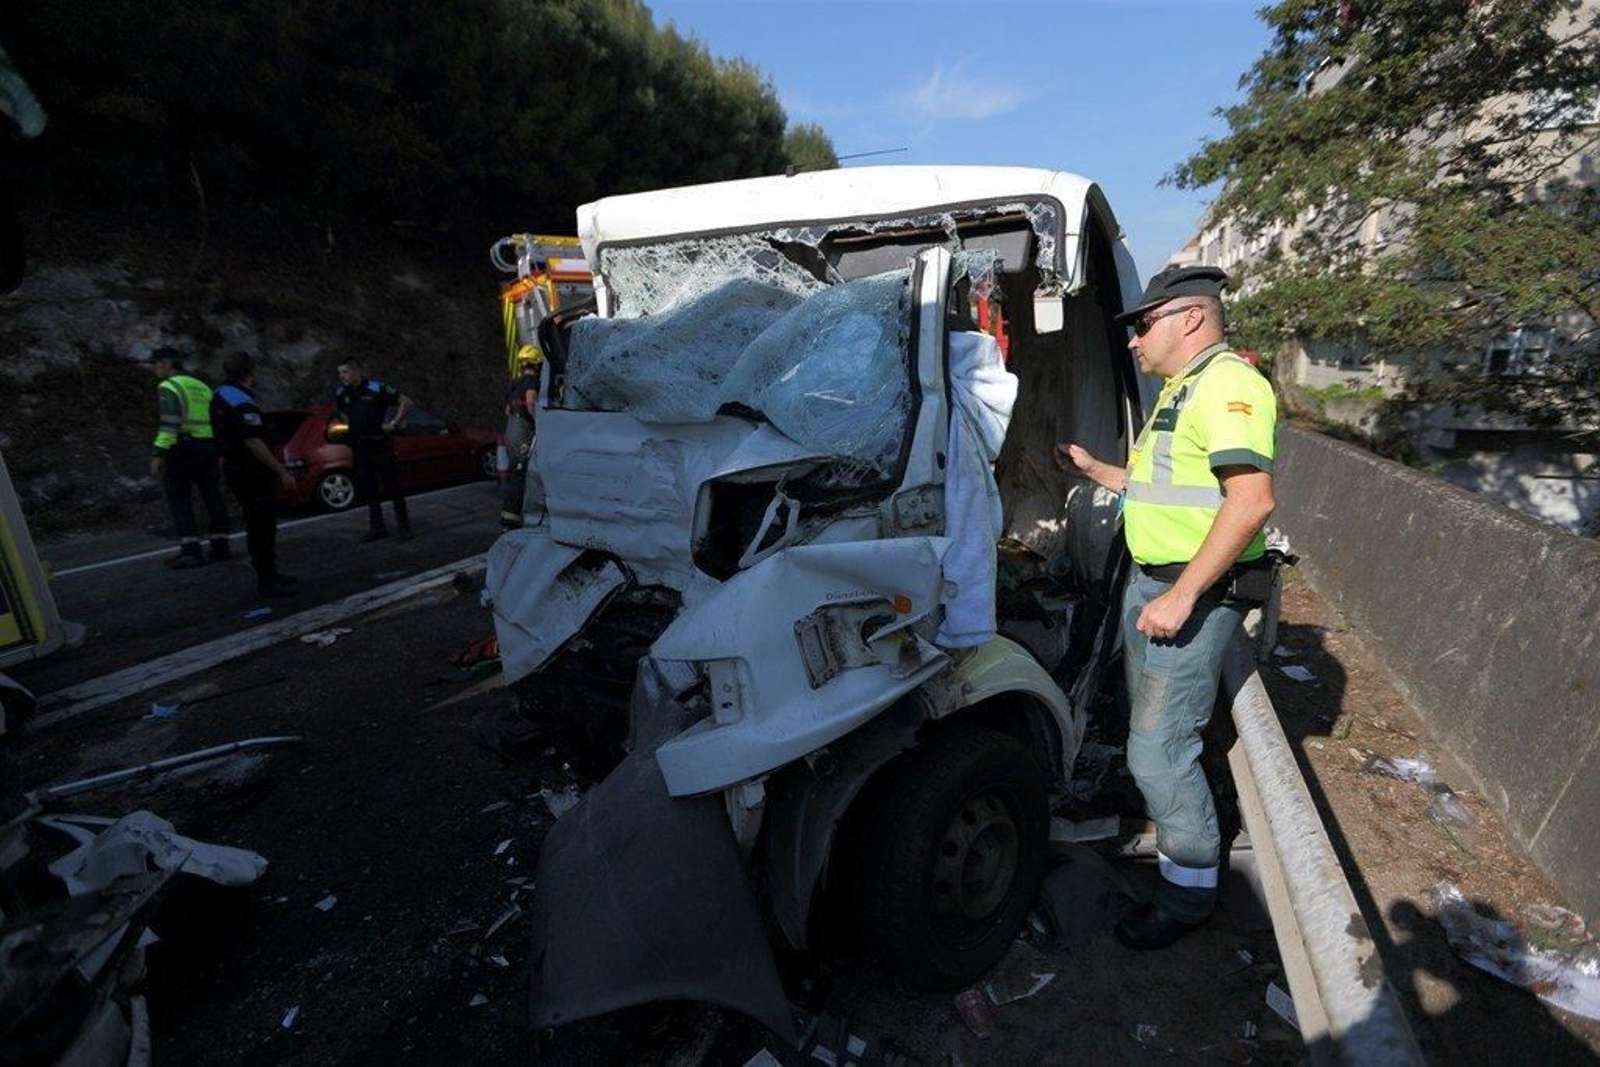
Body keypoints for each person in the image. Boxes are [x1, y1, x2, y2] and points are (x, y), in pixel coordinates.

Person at [1054, 265, 1277, 950]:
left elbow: (1251, 502)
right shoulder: (1183, 387)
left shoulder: (1230, 385)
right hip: (1153, 584)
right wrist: (1094, 470)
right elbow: (1159, 487)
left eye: (1143, 324)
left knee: (1159, 750)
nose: (1133, 340)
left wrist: (1182, 596)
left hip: (1191, 593)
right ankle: (1161, 808)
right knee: (1147, 730)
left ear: (1191, 318)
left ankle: (1188, 894)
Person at [212, 352, 298, 597]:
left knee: (257, 523)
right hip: (250, 471)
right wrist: (281, 470)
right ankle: (267, 579)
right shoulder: (240, 400)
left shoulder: (219, 396)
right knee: (263, 524)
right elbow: (253, 442)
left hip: (235, 468)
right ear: (250, 372)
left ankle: (270, 573)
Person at [146, 346, 230, 568]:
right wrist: (219, 449)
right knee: (212, 495)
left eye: (155, 364)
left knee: (179, 498)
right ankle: (221, 545)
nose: (153, 369)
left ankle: (191, 550)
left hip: (183, 448)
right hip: (208, 447)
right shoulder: (202, 386)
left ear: (167, 363)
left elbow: (170, 423)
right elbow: (217, 420)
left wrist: (158, 452)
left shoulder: (169, 386)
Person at [333, 358, 413, 542]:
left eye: (345, 372)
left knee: (393, 487)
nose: (341, 376)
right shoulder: (342, 392)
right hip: (360, 447)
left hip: (380, 446)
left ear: (356, 371)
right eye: (339, 373)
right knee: (369, 490)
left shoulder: (375, 387)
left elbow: (406, 402)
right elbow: (341, 413)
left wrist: (394, 423)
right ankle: (377, 527)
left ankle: (404, 527)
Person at [500, 346, 541, 529]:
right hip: (523, 432)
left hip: (511, 431)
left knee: (515, 474)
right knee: (520, 475)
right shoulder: (533, 382)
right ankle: (511, 519)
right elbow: (531, 402)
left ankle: (510, 517)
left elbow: (507, 410)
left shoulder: (514, 383)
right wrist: (539, 422)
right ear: (536, 364)